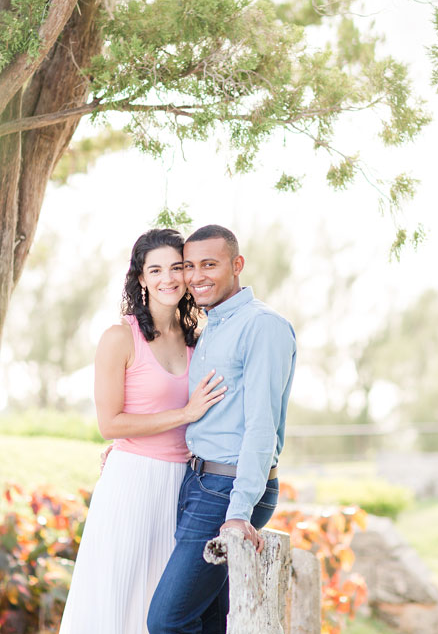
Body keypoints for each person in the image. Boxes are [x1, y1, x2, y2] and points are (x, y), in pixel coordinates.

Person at [59, 228, 227, 634]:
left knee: (162, 604)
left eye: (177, 267)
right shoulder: (120, 337)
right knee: (120, 597)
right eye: (156, 270)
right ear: (140, 278)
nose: (168, 278)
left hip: (183, 487)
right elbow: (109, 424)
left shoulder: (197, 341)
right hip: (132, 483)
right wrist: (184, 412)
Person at [147, 224, 297, 634]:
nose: (196, 276)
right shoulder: (214, 324)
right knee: (206, 620)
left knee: (167, 621)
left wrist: (239, 512)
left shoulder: (262, 326)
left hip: (228, 488)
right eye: (190, 266)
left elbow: (261, 425)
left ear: (237, 265)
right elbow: (204, 414)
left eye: (209, 264)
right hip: (201, 481)